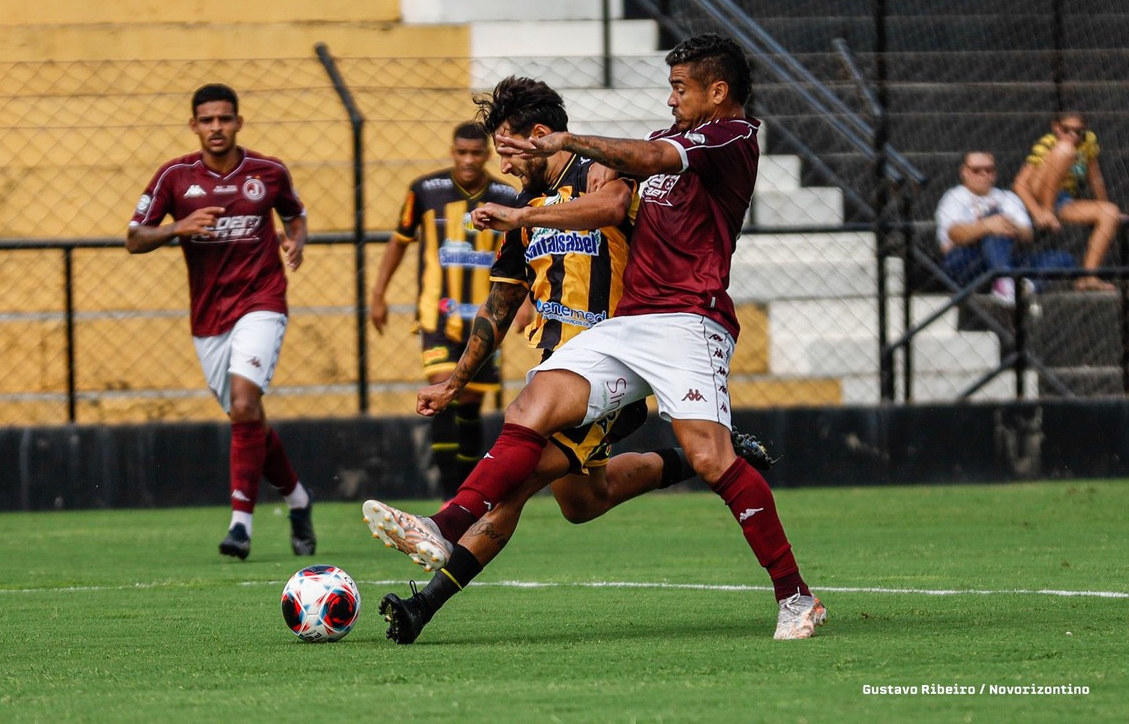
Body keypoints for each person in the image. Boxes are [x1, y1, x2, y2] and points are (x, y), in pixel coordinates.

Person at [366, 33, 823, 642]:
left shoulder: (729, 139)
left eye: (679, 88)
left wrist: (564, 150)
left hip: (690, 318)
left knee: (710, 460)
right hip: (626, 326)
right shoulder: (642, 151)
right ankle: (442, 528)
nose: (669, 100)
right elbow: (503, 298)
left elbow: (623, 190)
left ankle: (796, 597)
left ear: (718, 91)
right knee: (554, 453)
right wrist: (456, 378)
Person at [126, 83, 315, 561]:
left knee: (247, 403)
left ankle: (240, 526)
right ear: (194, 125)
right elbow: (132, 238)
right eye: (207, 120)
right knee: (246, 416)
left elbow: (295, 215)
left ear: (238, 122)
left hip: (263, 300)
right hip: (209, 317)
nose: (216, 128)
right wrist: (177, 227)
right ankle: (298, 499)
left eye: (224, 119)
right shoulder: (174, 177)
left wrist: (297, 241)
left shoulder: (268, 173)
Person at [369, 123, 519, 497]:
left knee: (469, 399)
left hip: (486, 318)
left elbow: (524, 253)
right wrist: (378, 293)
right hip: (438, 316)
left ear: (487, 155)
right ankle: (448, 494)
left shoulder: (506, 196)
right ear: (452, 152)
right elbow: (399, 242)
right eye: (461, 153)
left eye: (476, 153)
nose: (468, 160)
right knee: (442, 389)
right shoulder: (424, 191)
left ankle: (465, 493)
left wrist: (529, 303)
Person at [935, 151, 1073, 303]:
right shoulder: (954, 197)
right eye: (976, 170)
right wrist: (988, 225)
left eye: (989, 170)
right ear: (964, 172)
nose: (983, 174)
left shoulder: (1008, 197)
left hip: (1009, 256)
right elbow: (954, 234)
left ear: (995, 173)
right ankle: (1006, 280)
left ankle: (1022, 287)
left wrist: (1008, 226)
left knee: (1064, 259)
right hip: (967, 261)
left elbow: (1027, 234)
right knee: (995, 218)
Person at [1012, 112, 1123, 291]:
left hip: (1063, 199)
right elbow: (1019, 184)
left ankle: (1088, 276)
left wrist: (1103, 203)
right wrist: (1040, 212)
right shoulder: (1049, 142)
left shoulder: (1088, 142)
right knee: (1065, 149)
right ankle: (1048, 209)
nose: (1072, 136)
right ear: (1056, 127)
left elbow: (1094, 178)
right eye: (1066, 130)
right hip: (1036, 194)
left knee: (1110, 211)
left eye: (1078, 131)